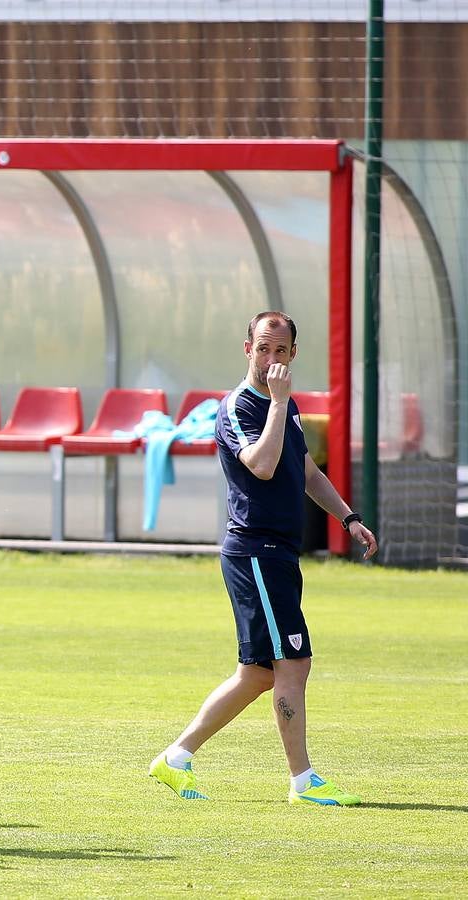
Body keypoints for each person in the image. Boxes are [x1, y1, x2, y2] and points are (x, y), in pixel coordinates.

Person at [148, 310, 377, 807]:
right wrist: (277, 402)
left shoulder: (285, 405)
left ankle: (176, 758)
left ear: (293, 353)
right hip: (256, 551)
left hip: (277, 554)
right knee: (294, 662)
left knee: (258, 673)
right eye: (263, 347)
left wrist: (348, 517)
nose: (271, 358)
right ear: (247, 348)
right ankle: (304, 782)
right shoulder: (239, 406)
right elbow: (264, 465)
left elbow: (305, 469)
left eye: (281, 350)